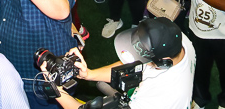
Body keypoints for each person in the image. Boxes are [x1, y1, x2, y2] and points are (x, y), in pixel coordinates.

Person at [54, 17, 195, 109]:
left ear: (164, 63)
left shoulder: (160, 98)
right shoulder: (180, 42)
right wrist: (89, 74)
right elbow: (132, 64)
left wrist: (57, 91)